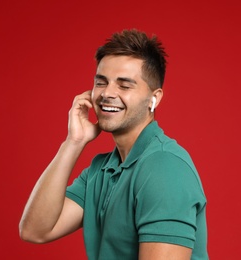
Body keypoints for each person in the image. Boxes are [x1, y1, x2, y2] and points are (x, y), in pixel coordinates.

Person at [19, 29, 208, 260]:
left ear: (154, 98)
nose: (107, 93)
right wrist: (74, 142)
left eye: (124, 85)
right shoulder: (102, 170)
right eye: (101, 82)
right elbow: (35, 231)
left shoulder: (164, 168)